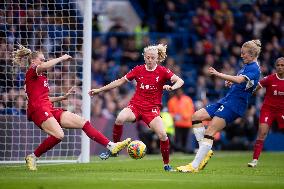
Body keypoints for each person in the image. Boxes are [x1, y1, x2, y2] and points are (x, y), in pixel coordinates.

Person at [12, 44, 131, 171]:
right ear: (33, 61)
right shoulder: (32, 72)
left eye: (44, 59)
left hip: (48, 107)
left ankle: (111, 146)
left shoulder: (41, 78)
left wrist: (62, 98)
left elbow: (43, 98)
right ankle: (33, 156)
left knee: (83, 122)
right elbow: (43, 74)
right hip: (39, 110)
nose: (44, 61)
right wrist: (61, 58)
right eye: (41, 59)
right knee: (59, 135)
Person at [89, 44, 184, 171]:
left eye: (152, 58)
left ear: (157, 59)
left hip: (152, 110)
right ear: (144, 57)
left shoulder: (162, 71)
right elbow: (119, 81)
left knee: (163, 135)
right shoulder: (138, 70)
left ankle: (166, 165)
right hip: (136, 106)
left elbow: (180, 81)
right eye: (148, 57)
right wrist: (100, 90)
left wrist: (172, 87)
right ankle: (114, 149)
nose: (150, 60)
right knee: (120, 118)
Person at [177, 39, 261, 173]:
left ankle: (194, 166)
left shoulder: (254, 69)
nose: (241, 56)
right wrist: (231, 83)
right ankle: (205, 150)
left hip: (235, 105)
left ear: (252, 54)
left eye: (244, 53)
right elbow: (242, 82)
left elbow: (240, 80)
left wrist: (218, 74)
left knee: (210, 131)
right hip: (227, 100)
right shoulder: (247, 66)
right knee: (196, 116)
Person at [248, 57, 284, 168]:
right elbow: (255, 88)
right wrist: (248, 91)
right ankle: (254, 160)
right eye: (278, 65)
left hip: (282, 110)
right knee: (262, 133)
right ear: (275, 66)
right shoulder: (270, 79)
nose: (280, 67)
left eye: (282, 65)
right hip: (268, 110)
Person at [167, 88, 195, 153]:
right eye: (178, 92)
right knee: (178, 138)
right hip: (177, 124)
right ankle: (180, 150)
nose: (179, 93)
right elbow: (170, 113)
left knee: (185, 138)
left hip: (187, 123)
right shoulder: (171, 101)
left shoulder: (187, 100)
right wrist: (175, 116)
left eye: (180, 91)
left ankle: (185, 150)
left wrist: (183, 116)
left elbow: (191, 111)